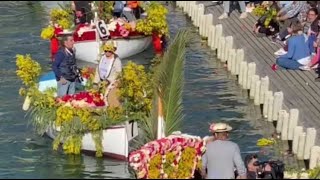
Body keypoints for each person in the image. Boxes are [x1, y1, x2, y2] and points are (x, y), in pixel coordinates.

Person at [93, 42, 122, 107]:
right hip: (102, 82)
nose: (107, 52)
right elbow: (98, 71)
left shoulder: (117, 61)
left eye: (109, 51)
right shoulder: (102, 58)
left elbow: (119, 74)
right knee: (98, 98)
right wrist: (95, 82)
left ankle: (114, 111)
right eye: (105, 51)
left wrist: (109, 81)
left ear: (113, 51)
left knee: (111, 99)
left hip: (112, 83)